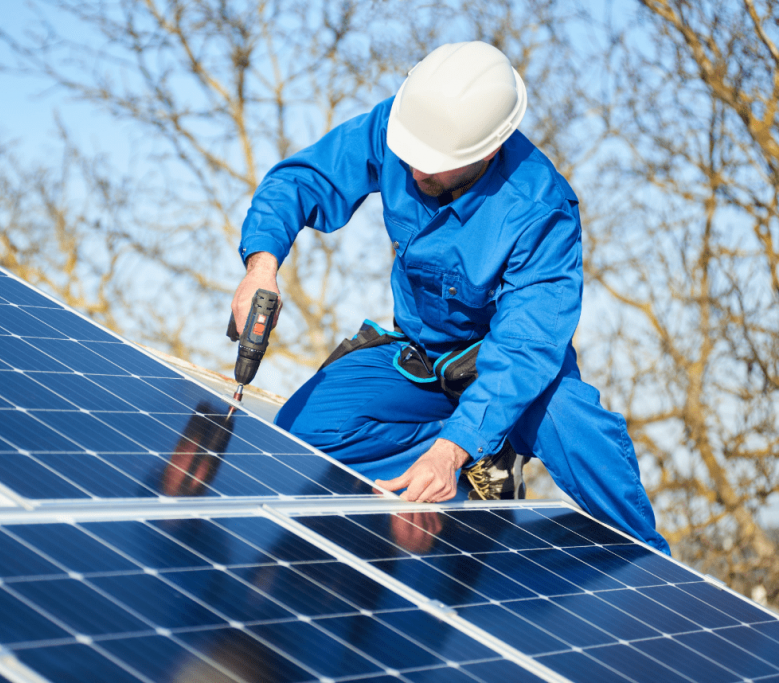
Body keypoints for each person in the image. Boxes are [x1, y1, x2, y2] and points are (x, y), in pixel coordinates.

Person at [230, 41, 670, 554]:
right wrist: (261, 266)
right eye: (410, 158)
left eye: (434, 166)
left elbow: (525, 348)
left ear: (485, 152)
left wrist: (455, 446)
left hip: (501, 368)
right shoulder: (401, 126)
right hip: (419, 359)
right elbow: (305, 179)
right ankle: (481, 455)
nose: (415, 174)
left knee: (578, 432)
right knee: (300, 434)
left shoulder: (540, 209)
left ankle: (651, 561)